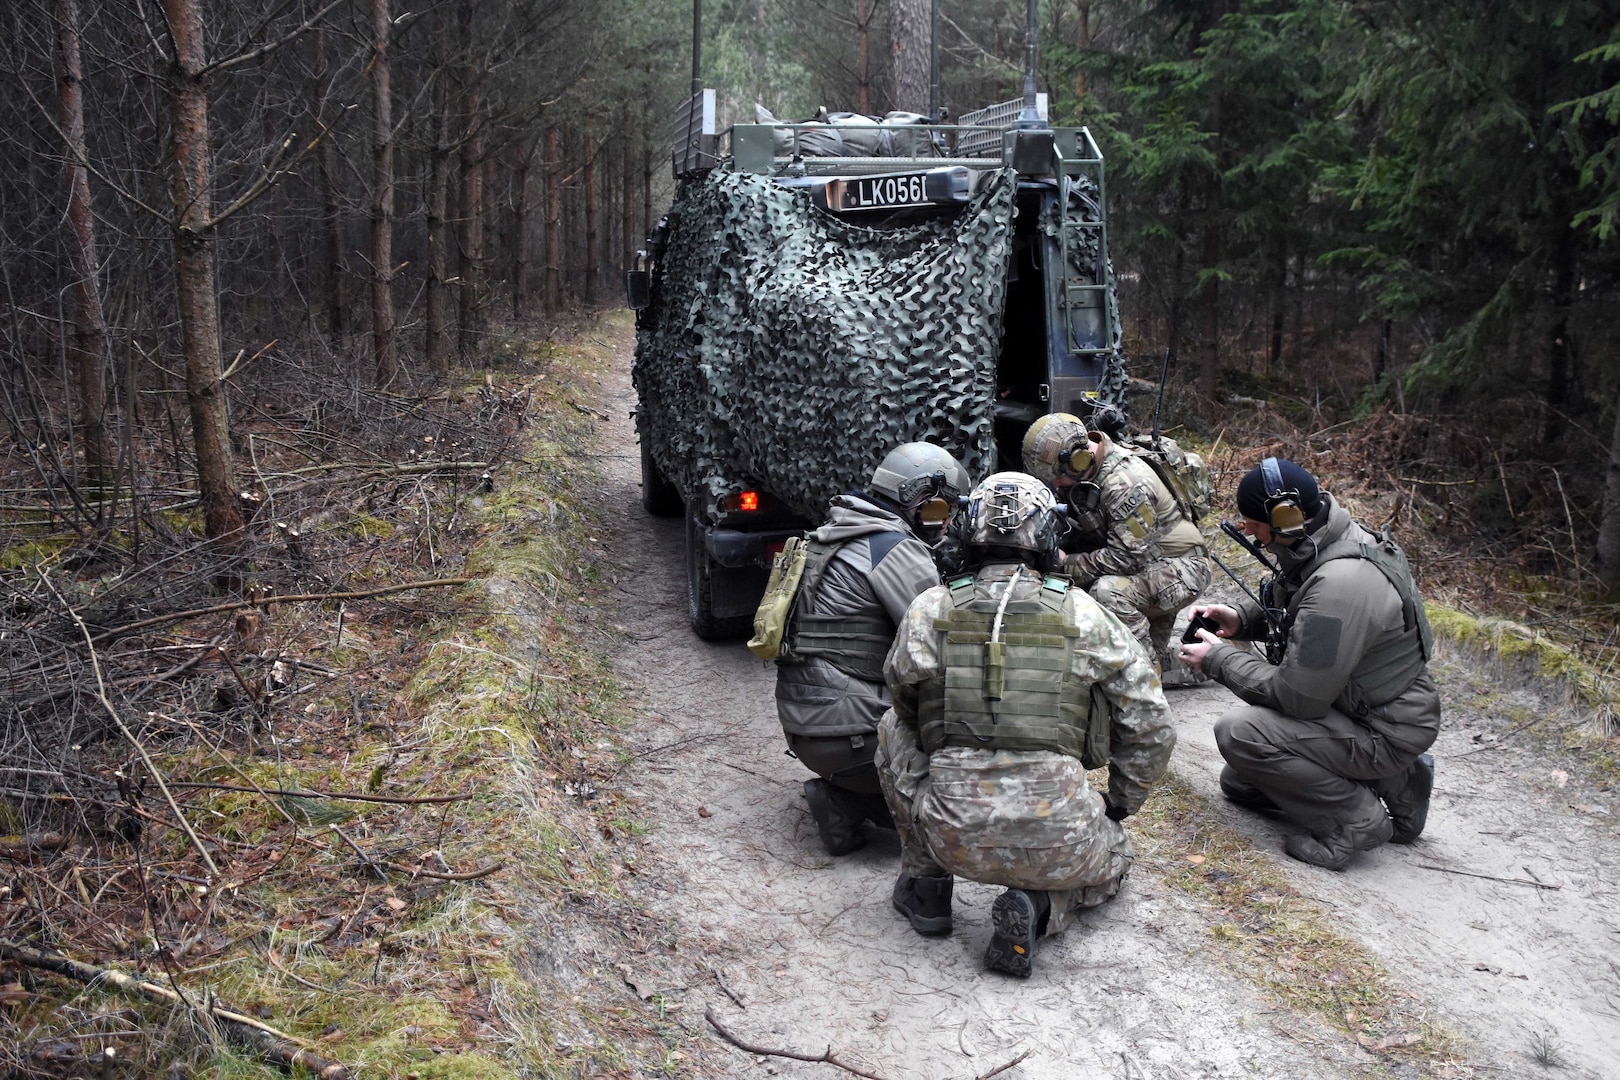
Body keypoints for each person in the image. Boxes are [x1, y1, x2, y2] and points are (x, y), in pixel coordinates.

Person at [876, 472, 1175, 977]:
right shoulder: (1085, 614)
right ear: (1048, 535)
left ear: (969, 530)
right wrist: (1121, 801)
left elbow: (903, 699)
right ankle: (1040, 909)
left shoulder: (930, 609)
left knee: (892, 727)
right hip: (1063, 840)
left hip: (950, 840)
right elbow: (1151, 723)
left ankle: (926, 886)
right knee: (1114, 857)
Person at [1178, 457, 1439, 870]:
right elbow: (1304, 611)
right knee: (1240, 783)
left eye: (1253, 521)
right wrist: (1242, 619)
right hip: (1367, 707)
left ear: (1285, 516)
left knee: (1241, 735)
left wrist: (1218, 659)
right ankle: (1401, 782)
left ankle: (1357, 821)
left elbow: (1297, 698)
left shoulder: (1343, 584)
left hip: (1384, 727)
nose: (1247, 530)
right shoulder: (1325, 539)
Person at [775, 442, 972, 856]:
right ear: (923, 501)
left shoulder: (835, 533)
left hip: (810, 725)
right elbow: (947, 646)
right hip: (851, 735)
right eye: (944, 510)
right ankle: (855, 803)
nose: (947, 522)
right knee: (969, 744)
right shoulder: (895, 549)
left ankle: (847, 798)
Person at [1022, 407, 1211, 685]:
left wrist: (1064, 563)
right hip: (1151, 564)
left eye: (1057, 477)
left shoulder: (1124, 483)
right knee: (1145, 649)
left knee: (1107, 592)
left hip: (1180, 568)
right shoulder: (1088, 470)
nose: (1056, 484)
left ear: (1079, 459)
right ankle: (1206, 662)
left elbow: (1125, 559)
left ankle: (1143, 680)